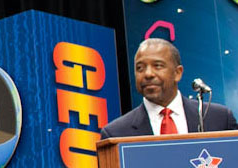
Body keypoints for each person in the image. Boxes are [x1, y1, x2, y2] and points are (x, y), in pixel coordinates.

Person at [100, 38, 237, 138]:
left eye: (157, 66)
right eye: (140, 68)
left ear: (178, 73)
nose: (148, 74)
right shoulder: (116, 134)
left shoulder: (219, 119)